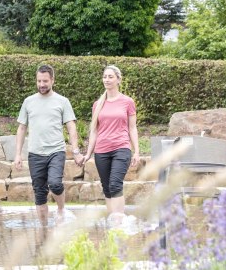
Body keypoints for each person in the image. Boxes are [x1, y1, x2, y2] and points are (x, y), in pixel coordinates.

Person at [14, 64, 83, 226]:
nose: (41, 84)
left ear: (52, 80)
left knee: (55, 183)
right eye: (39, 81)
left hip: (56, 151)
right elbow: (22, 127)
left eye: (45, 81)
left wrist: (75, 150)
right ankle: (43, 228)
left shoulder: (62, 101)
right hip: (35, 153)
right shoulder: (28, 101)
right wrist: (18, 154)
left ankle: (61, 210)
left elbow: (71, 126)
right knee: (39, 192)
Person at [82, 65, 140, 227]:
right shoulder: (97, 104)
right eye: (105, 77)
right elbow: (94, 131)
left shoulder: (127, 102)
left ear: (118, 80)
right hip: (101, 151)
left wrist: (137, 152)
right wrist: (88, 153)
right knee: (107, 187)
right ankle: (112, 223)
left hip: (121, 148)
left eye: (110, 77)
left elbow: (132, 128)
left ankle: (119, 221)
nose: (107, 80)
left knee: (115, 184)